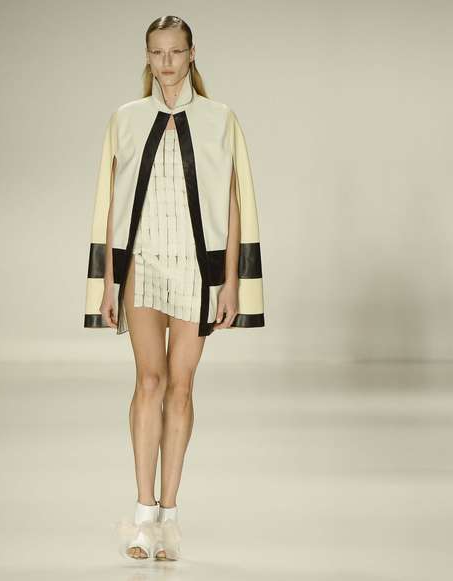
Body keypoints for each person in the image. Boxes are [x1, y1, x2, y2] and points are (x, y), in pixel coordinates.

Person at [83, 15, 265, 560]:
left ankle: (170, 515)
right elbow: (112, 202)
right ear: (147, 56)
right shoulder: (126, 119)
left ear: (191, 54)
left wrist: (229, 283)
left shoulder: (219, 119)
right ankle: (143, 516)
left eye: (175, 52)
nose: (166, 62)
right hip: (142, 264)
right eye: (157, 52)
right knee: (149, 380)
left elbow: (233, 202)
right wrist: (109, 281)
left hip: (196, 266)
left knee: (181, 387)